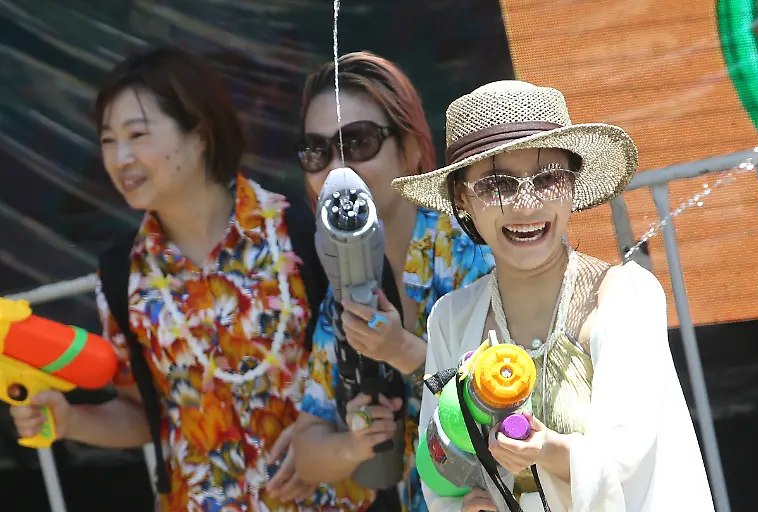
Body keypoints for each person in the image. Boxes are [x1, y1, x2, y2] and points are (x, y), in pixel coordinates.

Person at [9, 45, 334, 511]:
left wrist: (330, 445)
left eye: (137, 134)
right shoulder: (123, 276)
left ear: (198, 132)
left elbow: (360, 375)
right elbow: (145, 414)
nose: (120, 157)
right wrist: (69, 420)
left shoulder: (299, 235)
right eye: (107, 140)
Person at [393, 80, 715, 511]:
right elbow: (439, 473)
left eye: (548, 178)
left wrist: (545, 450)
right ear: (462, 198)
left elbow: (624, 454)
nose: (527, 205)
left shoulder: (626, 296)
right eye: (497, 185)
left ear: (574, 183)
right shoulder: (451, 319)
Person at [291, 51, 495, 512]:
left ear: (411, 148)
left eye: (358, 142)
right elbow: (306, 451)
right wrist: (356, 443)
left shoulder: (472, 245)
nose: (336, 170)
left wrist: (400, 351)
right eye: (316, 152)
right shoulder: (341, 293)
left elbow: (509, 391)